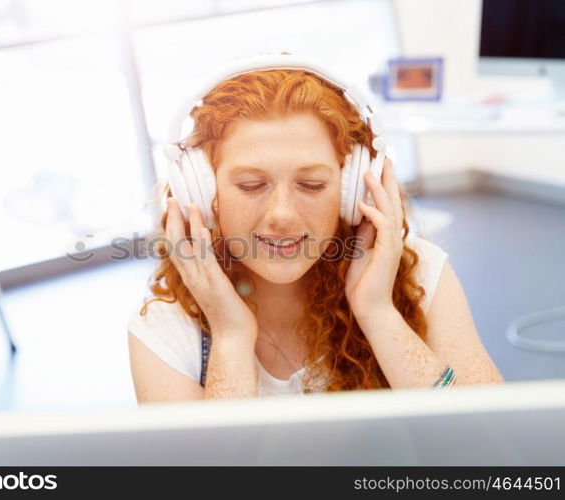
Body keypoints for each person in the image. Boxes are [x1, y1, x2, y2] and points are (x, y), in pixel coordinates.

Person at [127, 56, 503, 403]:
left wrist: (378, 313)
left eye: (311, 185)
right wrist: (230, 337)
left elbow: (493, 450)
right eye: (251, 185)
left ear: (353, 185)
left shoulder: (422, 272)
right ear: (202, 190)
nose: (282, 216)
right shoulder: (165, 328)